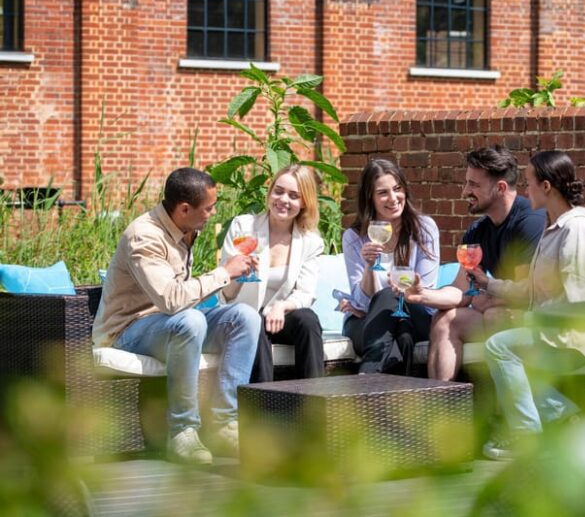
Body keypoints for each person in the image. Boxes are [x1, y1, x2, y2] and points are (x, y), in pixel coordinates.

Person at [92, 168, 261, 465]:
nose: (213, 212)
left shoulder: (186, 228)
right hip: (128, 332)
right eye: (208, 207)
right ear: (184, 209)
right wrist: (223, 272)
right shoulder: (144, 236)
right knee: (191, 320)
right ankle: (182, 431)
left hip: (173, 324)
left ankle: (224, 423)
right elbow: (171, 300)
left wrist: (236, 275)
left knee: (245, 318)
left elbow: (186, 302)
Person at [477, 150, 585, 460]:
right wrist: (487, 282)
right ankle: (566, 417)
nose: (524, 191)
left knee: (501, 347)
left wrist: (536, 326)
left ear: (546, 187)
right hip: (554, 331)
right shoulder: (553, 228)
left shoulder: (576, 231)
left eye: (528, 183)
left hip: (579, 337)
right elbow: (531, 289)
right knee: (505, 348)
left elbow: (579, 302)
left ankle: (529, 436)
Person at [403, 145, 546, 381]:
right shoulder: (477, 231)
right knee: (445, 320)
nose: (464, 191)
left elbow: (525, 294)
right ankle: (439, 406)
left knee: (496, 315)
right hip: (501, 313)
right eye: (466, 183)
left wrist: (486, 297)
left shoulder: (529, 222)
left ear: (500, 188)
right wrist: (421, 295)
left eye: (474, 185)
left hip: (540, 320)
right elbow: (461, 290)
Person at [220, 164, 325, 382]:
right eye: (278, 191)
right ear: (269, 193)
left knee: (308, 320)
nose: (284, 200)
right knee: (252, 322)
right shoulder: (243, 227)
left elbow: (305, 293)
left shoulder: (310, 242)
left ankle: (315, 405)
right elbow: (225, 294)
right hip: (244, 314)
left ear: (304, 202)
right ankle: (266, 409)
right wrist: (239, 272)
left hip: (279, 316)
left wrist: (281, 306)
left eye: (294, 195)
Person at [341, 159, 440, 375]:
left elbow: (423, 290)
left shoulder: (424, 229)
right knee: (403, 338)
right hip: (366, 321)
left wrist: (395, 292)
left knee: (391, 299)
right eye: (383, 193)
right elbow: (362, 303)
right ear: (370, 197)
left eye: (397, 189)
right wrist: (369, 266)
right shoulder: (354, 238)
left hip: (415, 313)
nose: (393, 198)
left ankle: (366, 380)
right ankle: (399, 402)